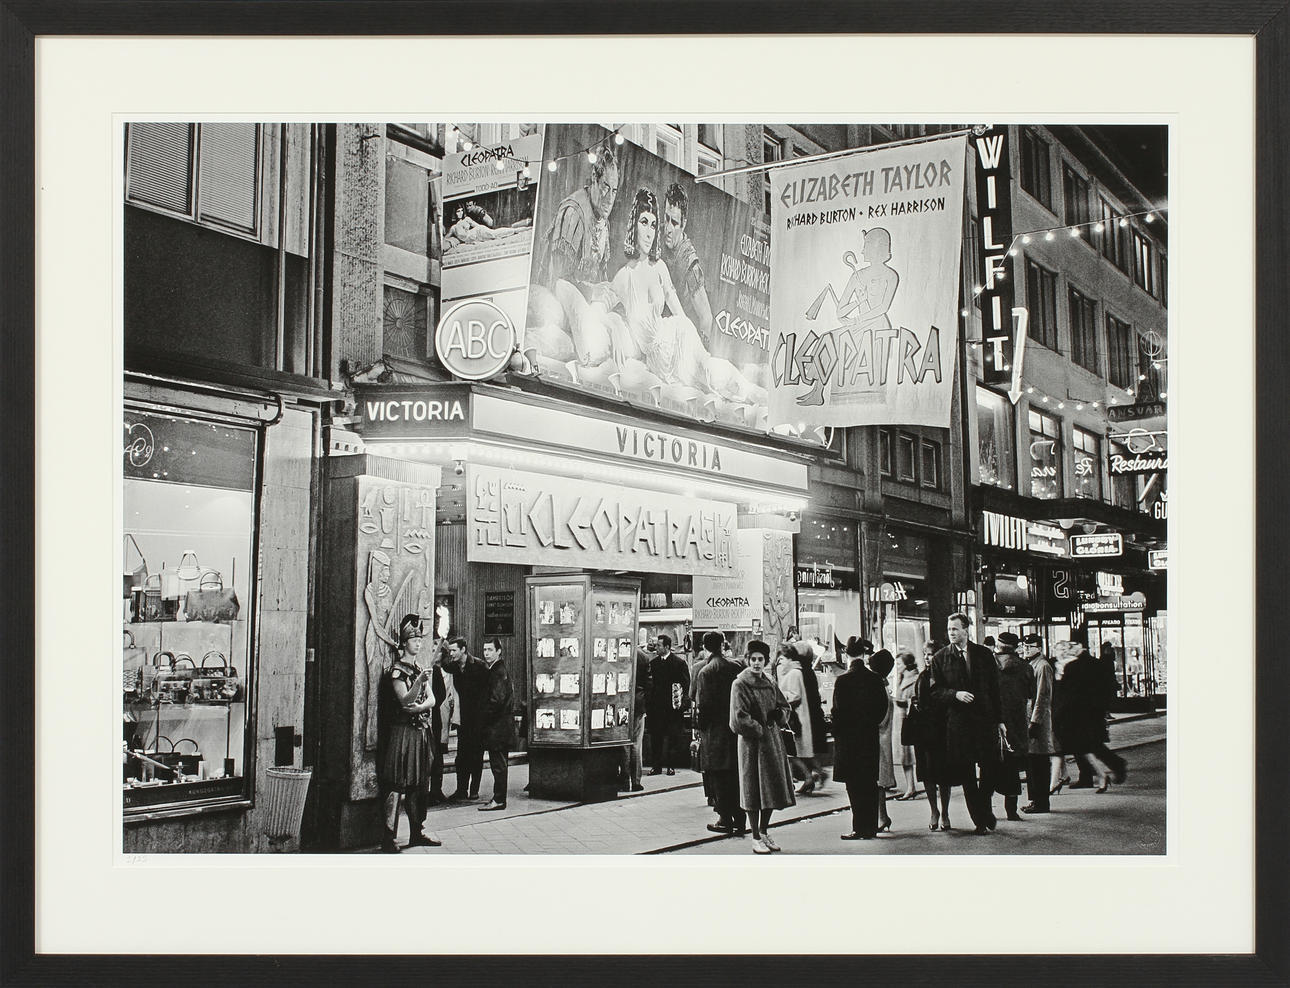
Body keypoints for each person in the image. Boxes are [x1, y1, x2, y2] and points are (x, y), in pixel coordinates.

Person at [928, 613, 1007, 836]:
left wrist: (1000, 720)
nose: (951, 633)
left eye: (955, 629)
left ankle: (983, 806)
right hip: (959, 724)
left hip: (985, 720)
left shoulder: (983, 655)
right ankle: (980, 819)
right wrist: (955, 694)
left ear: (966, 630)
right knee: (967, 773)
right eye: (949, 629)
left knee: (990, 766)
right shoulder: (941, 658)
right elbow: (935, 691)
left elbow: (994, 689)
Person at [375, 614, 441, 853]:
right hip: (402, 733)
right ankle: (388, 837)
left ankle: (417, 832)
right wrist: (419, 684)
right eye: (414, 639)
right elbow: (405, 699)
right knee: (396, 783)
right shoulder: (397, 671)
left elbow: (431, 699)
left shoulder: (418, 669)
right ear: (404, 642)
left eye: (419, 639)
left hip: (420, 732)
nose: (418, 643)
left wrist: (423, 706)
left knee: (419, 784)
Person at [729, 640, 796, 854]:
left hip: (772, 742)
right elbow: (737, 718)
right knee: (752, 789)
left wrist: (779, 715)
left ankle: (764, 831)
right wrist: (758, 727)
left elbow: (784, 705)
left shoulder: (769, 681)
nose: (757, 663)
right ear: (748, 660)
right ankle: (755, 835)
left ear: (766, 661)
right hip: (751, 745)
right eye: (753, 659)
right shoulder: (740, 684)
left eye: (761, 659)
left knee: (771, 788)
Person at [830, 639, 891, 840]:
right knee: (870, 784)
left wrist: (837, 730)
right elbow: (882, 708)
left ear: (847, 657)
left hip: (849, 741)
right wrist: (870, 723)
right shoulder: (875, 680)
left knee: (854, 786)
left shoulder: (842, 681)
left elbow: (837, 713)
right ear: (863, 657)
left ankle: (859, 827)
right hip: (868, 738)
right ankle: (871, 827)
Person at [540, 142, 619, 289]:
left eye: (614, 191)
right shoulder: (573, 212)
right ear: (594, 178)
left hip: (586, 304)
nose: (610, 199)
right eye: (605, 188)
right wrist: (593, 291)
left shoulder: (603, 222)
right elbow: (559, 280)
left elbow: (600, 275)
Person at [694, 630, 746, 836]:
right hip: (735, 729)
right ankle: (741, 818)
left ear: (705, 647)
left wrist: (700, 730)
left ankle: (725, 818)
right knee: (735, 775)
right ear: (723, 644)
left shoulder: (705, 672)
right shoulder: (736, 666)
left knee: (719, 777)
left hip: (715, 732)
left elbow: (703, 706)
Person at [1057, 641, 1128, 792]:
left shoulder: (1072, 667)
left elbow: (1067, 694)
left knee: (1087, 745)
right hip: (1094, 711)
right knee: (1089, 745)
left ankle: (1109, 768)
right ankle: (1096, 774)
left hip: (1077, 713)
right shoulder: (1096, 664)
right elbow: (1107, 686)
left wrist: (1060, 713)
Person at [991, 632, 1036, 823]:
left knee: (989, 768)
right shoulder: (1025, 667)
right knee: (1012, 770)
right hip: (1016, 726)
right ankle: (1011, 810)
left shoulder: (989, 666)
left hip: (992, 723)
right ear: (1015, 647)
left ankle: (986, 811)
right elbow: (1030, 693)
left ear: (998, 647)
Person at [661, 182, 714, 337]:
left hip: (681, 340)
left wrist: (699, 354)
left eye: (675, 223)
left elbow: (706, 318)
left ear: (683, 224)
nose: (668, 228)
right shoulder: (656, 239)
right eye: (666, 218)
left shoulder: (690, 264)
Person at [913, 639, 955, 830]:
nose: (927, 658)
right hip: (924, 730)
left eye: (930, 654)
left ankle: (944, 811)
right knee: (928, 774)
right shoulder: (922, 676)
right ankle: (934, 811)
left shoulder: (946, 675)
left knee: (944, 774)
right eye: (925, 654)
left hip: (941, 729)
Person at [442, 637, 488, 801]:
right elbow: (441, 663)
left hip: (478, 719)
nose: (451, 653)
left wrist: (485, 719)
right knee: (461, 757)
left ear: (463, 649)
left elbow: (487, 693)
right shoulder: (454, 667)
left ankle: (474, 790)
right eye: (450, 650)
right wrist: (442, 645)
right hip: (463, 720)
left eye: (454, 650)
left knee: (476, 756)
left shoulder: (479, 666)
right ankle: (461, 789)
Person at [776, 644, 823, 794]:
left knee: (792, 752)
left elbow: (795, 695)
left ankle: (809, 777)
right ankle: (815, 775)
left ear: (789, 658)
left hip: (795, 718)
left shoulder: (794, 673)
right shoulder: (795, 671)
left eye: (782, 659)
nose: (780, 662)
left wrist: (781, 700)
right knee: (798, 752)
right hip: (796, 717)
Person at [1020, 633, 1058, 813]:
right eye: (1025, 646)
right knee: (1032, 763)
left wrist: (1035, 722)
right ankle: (1036, 800)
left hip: (1039, 723)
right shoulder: (1030, 665)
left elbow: (1043, 696)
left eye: (1030, 646)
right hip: (1030, 719)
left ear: (1039, 648)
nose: (1027, 649)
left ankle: (1042, 802)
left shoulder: (1042, 666)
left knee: (1039, 763)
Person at [477, 638, 514, 811]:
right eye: (485, 650)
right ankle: (498, 798)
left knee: (498, 766)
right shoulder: (497, 670)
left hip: (497, 728)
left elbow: (496, 701)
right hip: (500, 727)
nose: (486, 653)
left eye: (490, 650)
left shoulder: (497, 672)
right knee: (500, 765)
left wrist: (483, 716)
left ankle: (499, 799)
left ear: (499, 651)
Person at [646, 634, 690, 775]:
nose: (656, 648)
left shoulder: (679, 663)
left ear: (666, 647)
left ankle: (671, 766)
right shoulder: (653, 664)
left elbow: (686, 685)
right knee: (656, 738)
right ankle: (656, 766)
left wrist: (682, 704)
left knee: (673, 738)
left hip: (672, 708)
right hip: (657, 708)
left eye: (659, 645)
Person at [869, 648, 897, 833]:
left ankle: (881, 816)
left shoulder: (878, 688)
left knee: (877, 782)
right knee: (878, 782)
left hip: (878, 739)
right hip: (884, 739)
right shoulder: (883, 686)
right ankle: (882, 816)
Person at [620, 642, 652, 793]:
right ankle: (636, 781)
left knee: (623, 744)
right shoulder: (643, 657)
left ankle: (624, 780)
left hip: (620, 702)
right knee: (636, 744)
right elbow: (649, 685)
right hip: (638, 704)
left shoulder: (617, 651)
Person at [892, 650, 921, 799]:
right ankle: (910, 787)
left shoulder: (915, 679)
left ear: (906, 664)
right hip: (901, 720)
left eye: (899, 664)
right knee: (905, 756)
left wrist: (904, 701)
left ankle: (918, 785)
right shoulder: (901, 678)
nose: (896, 667)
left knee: (913, 754)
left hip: (910, 720)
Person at [427, 639, 451, 805]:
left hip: (437, 716)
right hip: (430, 716)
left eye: (437, 649)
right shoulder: (426, 667)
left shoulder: (438, 671)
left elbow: (442, 694)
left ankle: (436, 789)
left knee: (437, 755)